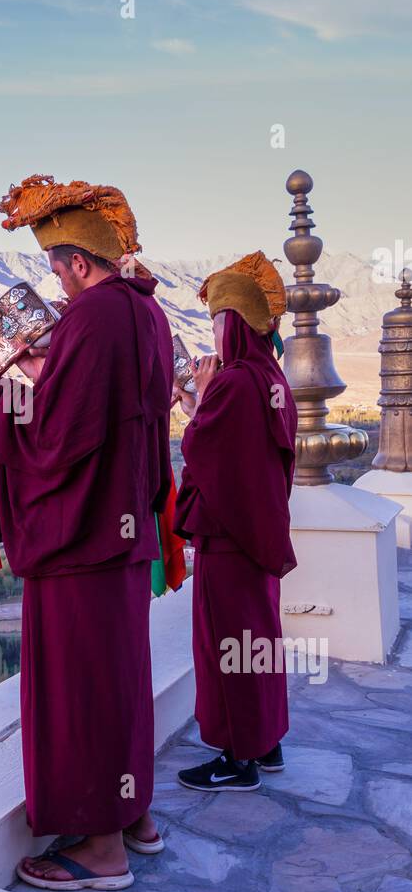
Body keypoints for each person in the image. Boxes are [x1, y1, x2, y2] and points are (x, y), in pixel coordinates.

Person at [0, 174, 174, 889]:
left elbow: (58, 434)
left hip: (81, 538)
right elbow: (105, 414)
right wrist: (40, 372)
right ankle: (133, 814)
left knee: (83, 688)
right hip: (120, 532)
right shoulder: (149, 313)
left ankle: (101, 849)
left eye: (58, 269)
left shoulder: (94, 317)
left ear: (79, 262)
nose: (58, 286)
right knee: (119, 679)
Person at [172, 252, 297, 792]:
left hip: (228, 539)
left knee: (229, 645)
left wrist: (199, 404)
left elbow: (206, 448)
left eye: (218, 324)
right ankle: (265, 744)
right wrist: (201, 402)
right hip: (258, 535)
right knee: (258, 640)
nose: (214, 337)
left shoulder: (235, 383)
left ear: (235, 326)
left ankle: (236, 758)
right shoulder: (271, 378)